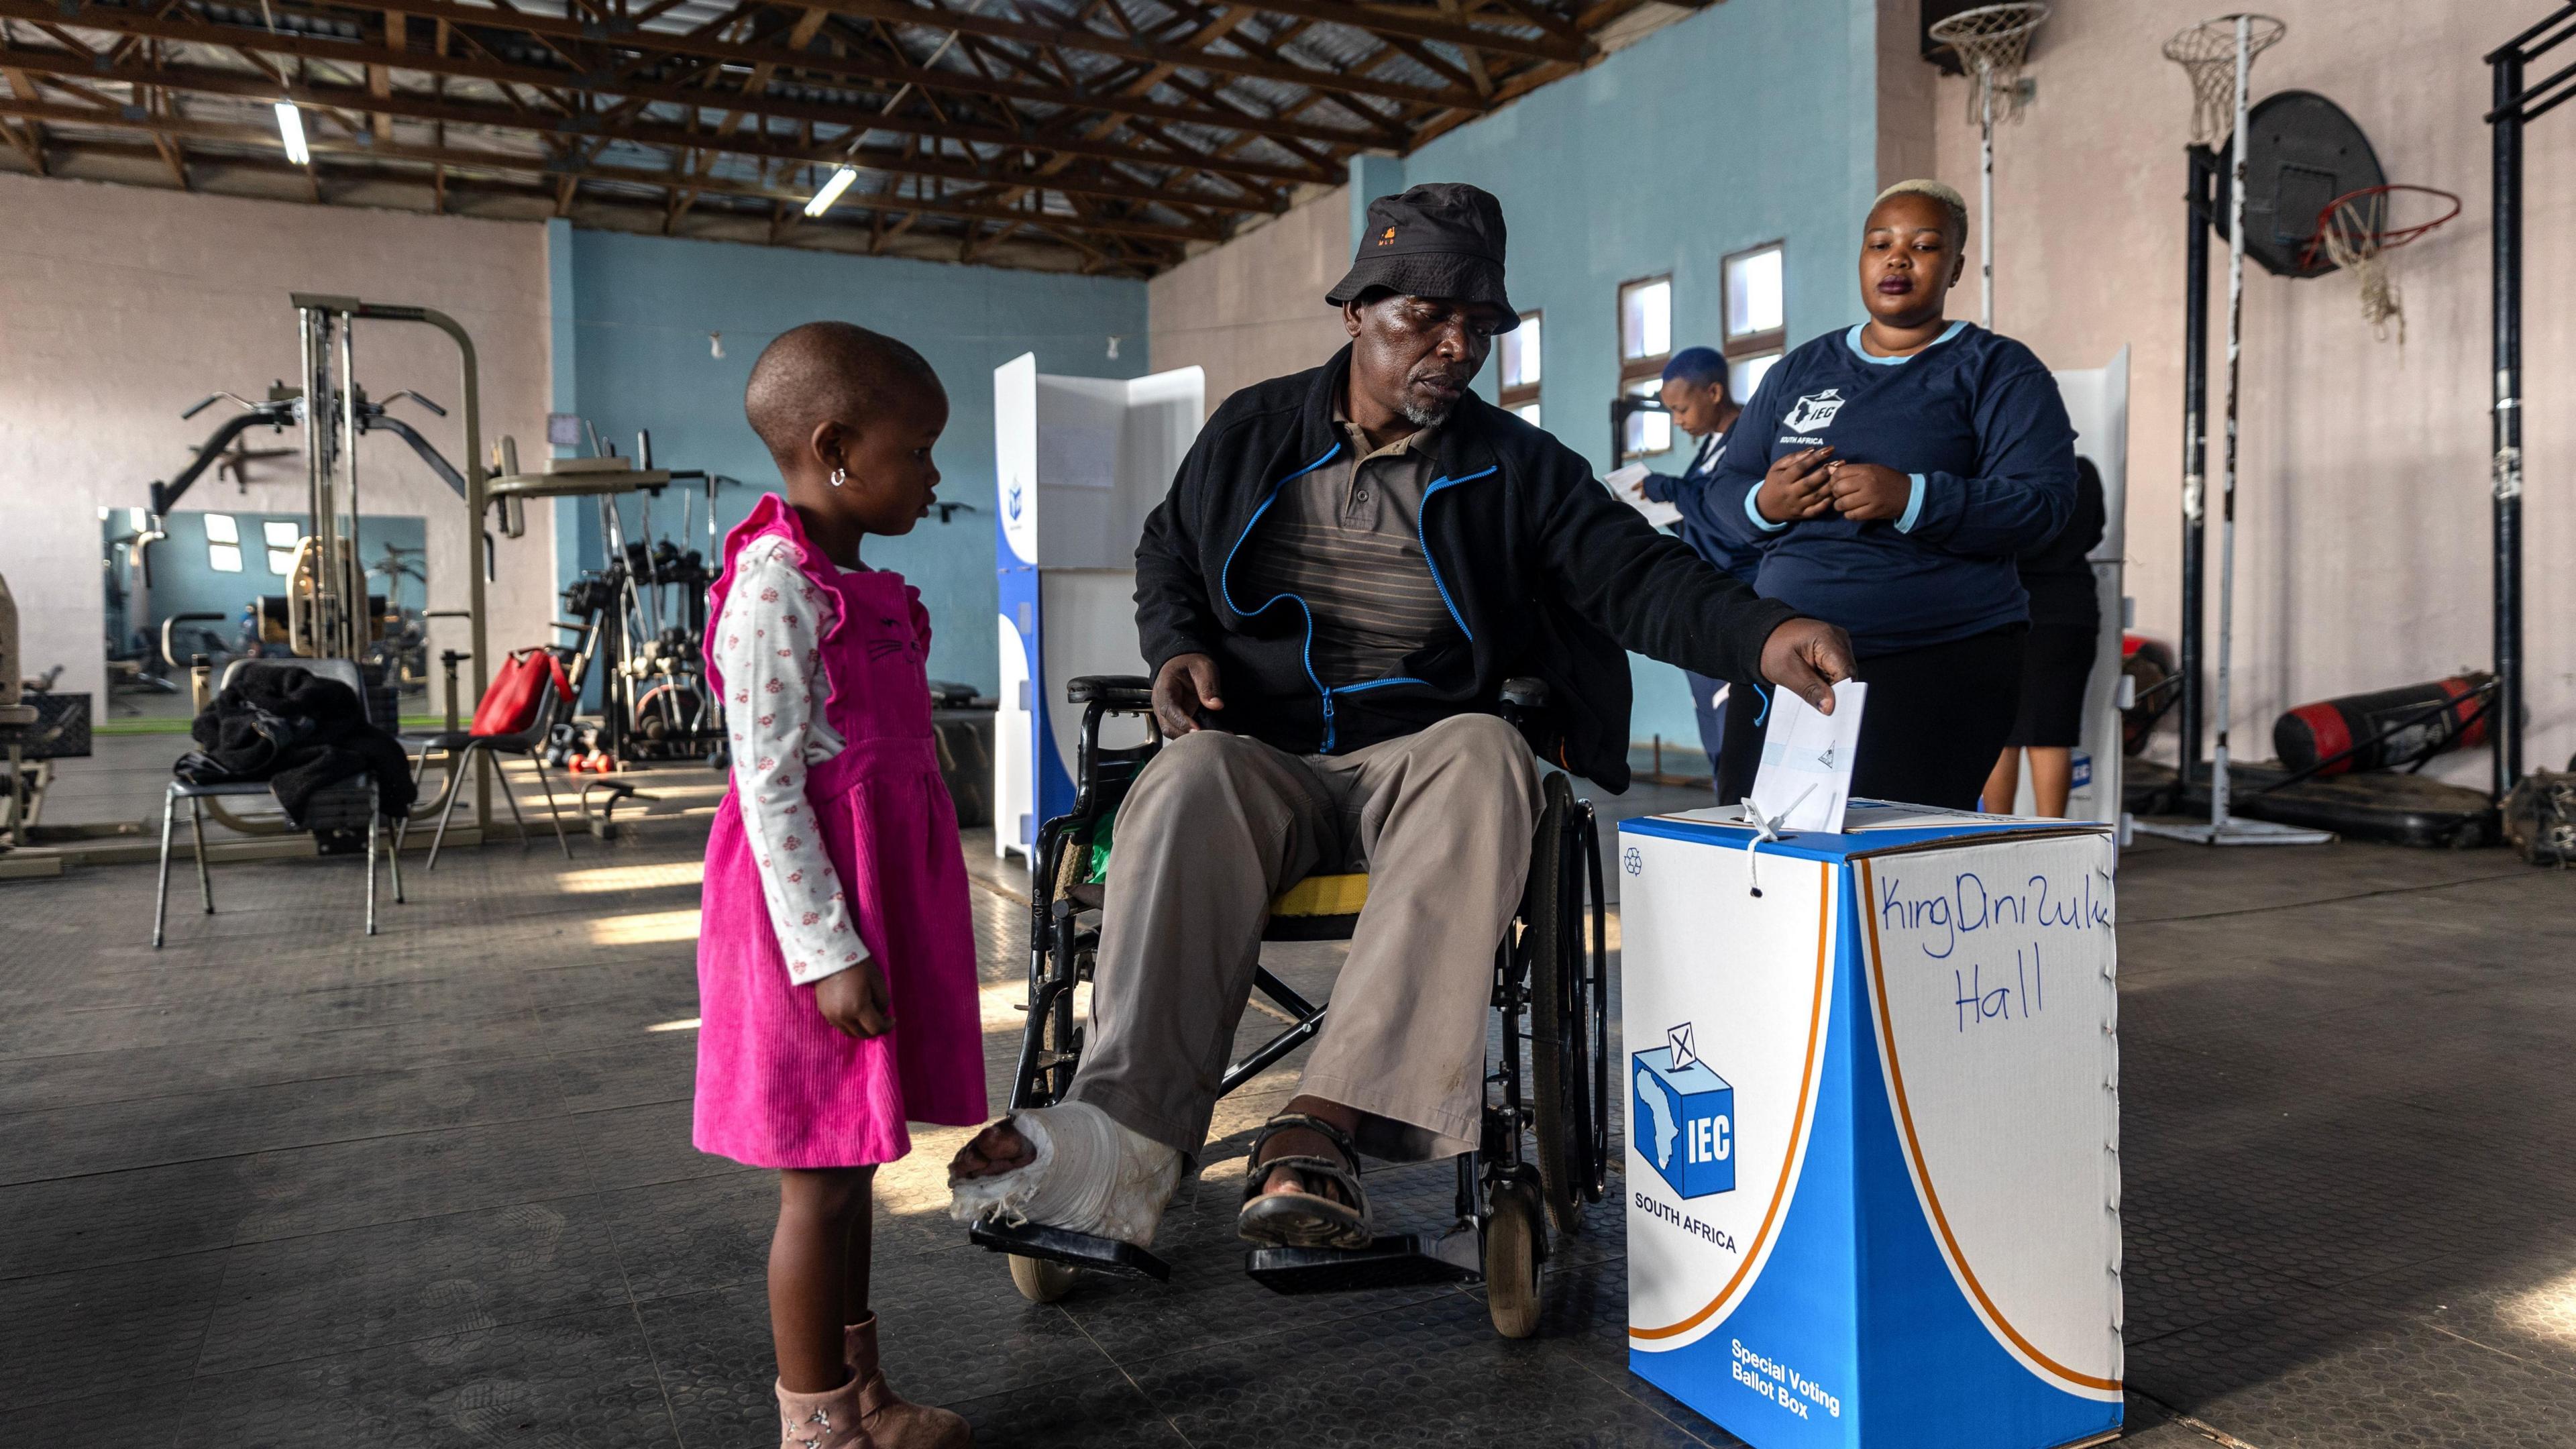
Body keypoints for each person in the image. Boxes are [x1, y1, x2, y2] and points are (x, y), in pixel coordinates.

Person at [949, 183, 1856, 1252]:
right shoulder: (1253, 432)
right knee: (1183, 777)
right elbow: (1168, 554)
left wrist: (1761, 634)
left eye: (1477, 325)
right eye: (1426, 317)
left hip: (1423, 755)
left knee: (1486, 751)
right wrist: (1176, 650)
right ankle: (1125, 1143)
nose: (1456, 345)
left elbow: (1638, 576)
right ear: (1358, 311)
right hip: (1262, 752)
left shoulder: (1518, 468)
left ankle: (1322, 1126)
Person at [695, 322, 983, 1449]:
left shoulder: (852, 581)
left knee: (856, 1160)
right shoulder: (777, 590)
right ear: (838, 449)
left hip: (868, 909)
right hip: (808, 928)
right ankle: (816, 1425)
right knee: (816, 1178)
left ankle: (861, 1395)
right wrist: (828, 952)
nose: (933, 474)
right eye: (919, 450)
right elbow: (767, 793)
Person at [1695, 178, 2078, 811]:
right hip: (1786, 652)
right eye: (1881, 244)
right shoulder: (1799, 371)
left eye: (1924, 246)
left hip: (1939, 656)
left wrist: (1914, 498)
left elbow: (2043, 506)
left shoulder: (1999, 370)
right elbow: (1722, 493)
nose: (1898, 258)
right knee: (1757, 839)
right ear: (1863, 260)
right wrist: (1768, 502)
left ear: (1954, 267)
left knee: (1891, 858)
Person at [1638, 346, 1752, 784]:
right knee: (1709, 713)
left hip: (1738, 592)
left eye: (1682, 408)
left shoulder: (1747, 441)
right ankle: (1727, 800)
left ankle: (1741, 806)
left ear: (1715, 391)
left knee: (1733, 720)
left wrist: (1669, 489)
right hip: (1704, 594)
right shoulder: (1709, 448)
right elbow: (1701, 516)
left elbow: (1727, 513)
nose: (1679, 420)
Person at [1985, 455, 2108, 816]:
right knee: (2052, 735)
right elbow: (2095, 532)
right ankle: (2050, 841)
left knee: (2000, 735)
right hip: (2070, 611)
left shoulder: (1999, 471)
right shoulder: (2083, 469)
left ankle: (1991, 839)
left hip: (2003, 606)